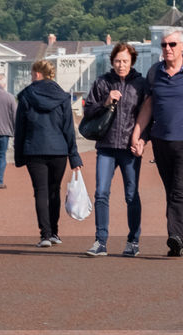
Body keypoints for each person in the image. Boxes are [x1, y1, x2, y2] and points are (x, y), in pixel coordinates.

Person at [83, 42, 148, 257]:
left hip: (129, 149)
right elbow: (88, 111)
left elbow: (148, 116)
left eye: (125, 61)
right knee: (101, 193)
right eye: (118, 61)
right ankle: (100, 242)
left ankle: (133, 241)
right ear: (112, 61)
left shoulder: (141, 84)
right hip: (106, 147)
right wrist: (106, 101)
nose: (121, 65)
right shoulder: (102, 82)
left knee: (131, 195)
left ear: (132, 62)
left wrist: (142, 140)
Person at [14, 60, 83, 248]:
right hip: (58, 150)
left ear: (37, 74)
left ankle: (44, 235)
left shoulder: (27, 95)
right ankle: (54, 232)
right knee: (54, 191)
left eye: (31, 73)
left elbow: (20, 128)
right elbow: (69, 129)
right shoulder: (62, 96)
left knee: (40, 192)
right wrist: (74, 156)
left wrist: (18, 156)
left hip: (34, 149)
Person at [130, 28, 183, 256]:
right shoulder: (154, 73)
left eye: (172, 44)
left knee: (178, 192)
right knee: (171, 189)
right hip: (161, 140)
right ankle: (178, 237)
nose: (167, 49)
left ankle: (175, 236)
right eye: (163, 45)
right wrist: (138, 134)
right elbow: (148, 106)